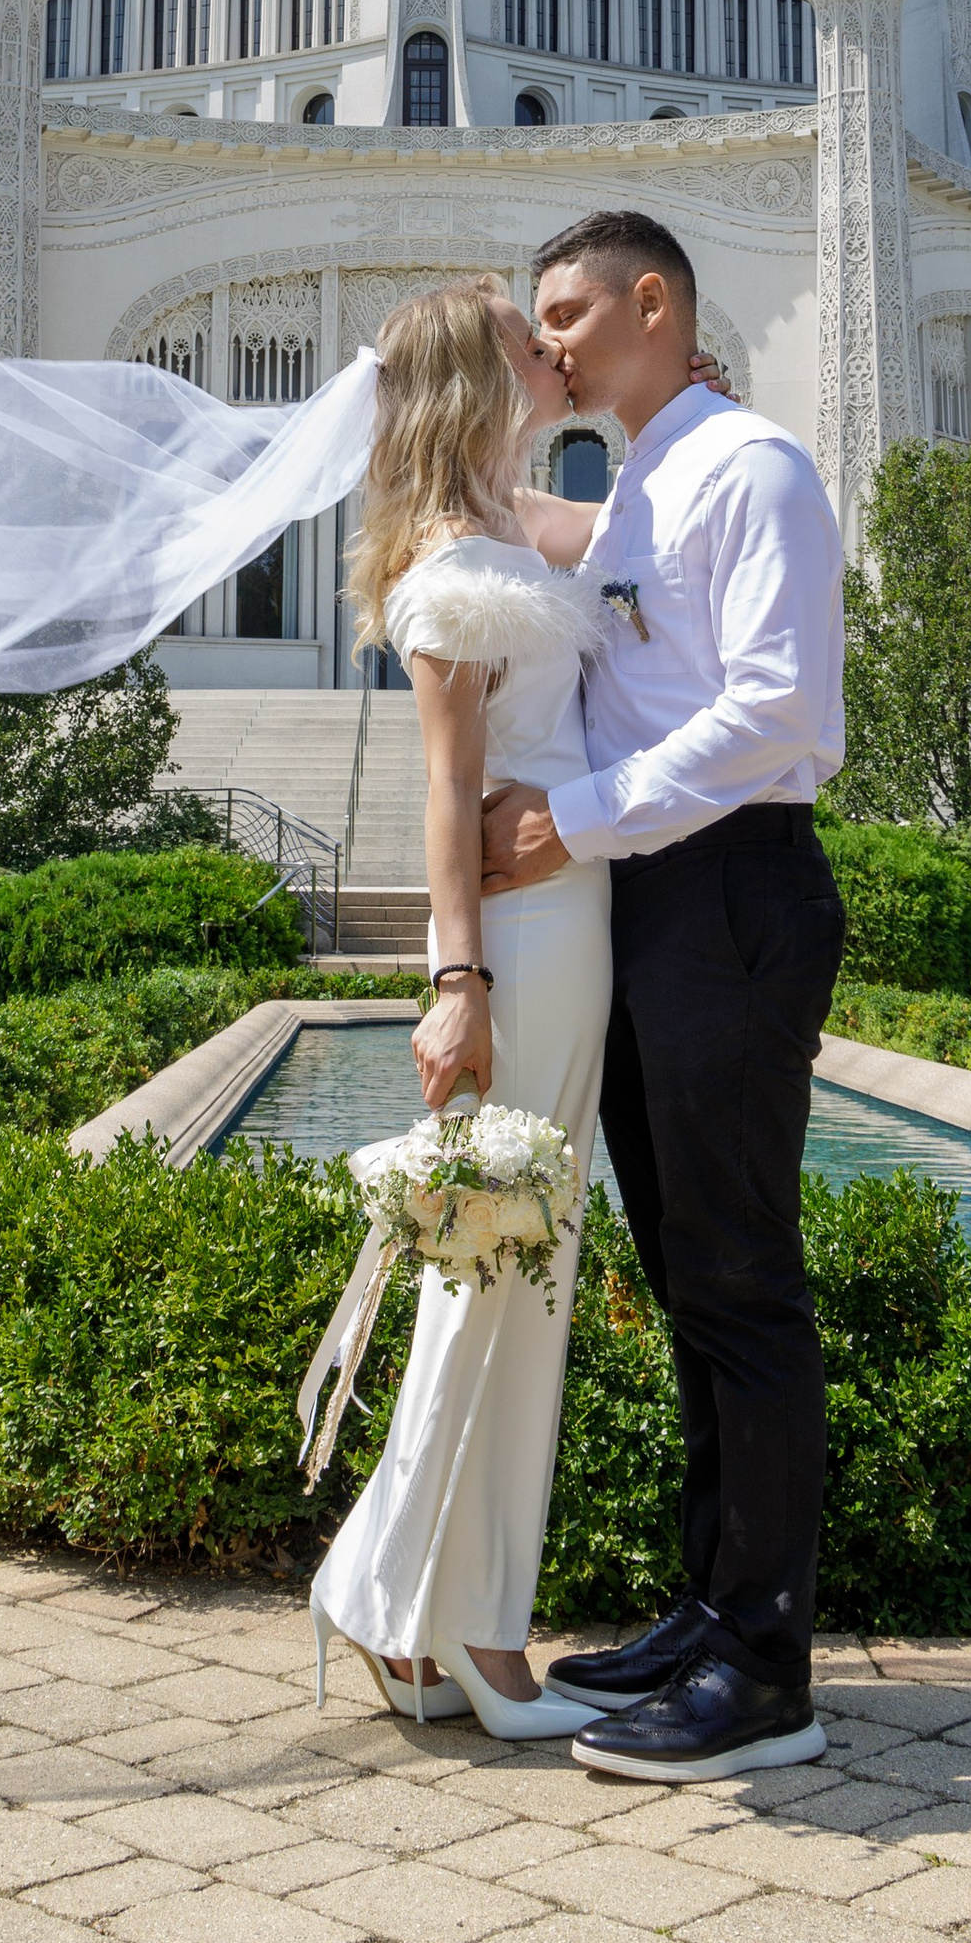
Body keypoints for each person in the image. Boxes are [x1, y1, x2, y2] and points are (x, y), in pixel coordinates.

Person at [482, 208, 846, 1785]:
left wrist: (570, 819)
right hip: (656, 900)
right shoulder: (639, 481)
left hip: (735, 889)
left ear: (652, 303)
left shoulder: (751, 470)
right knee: (693, 1281)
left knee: (744, 1282)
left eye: (565, 314)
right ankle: (709, 1612)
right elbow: (536, 531)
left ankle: (765, 1673)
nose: (550, 341)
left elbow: (776, 711)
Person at [307, 280, 622, 1744]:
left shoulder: (510, 521)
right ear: (470, 378)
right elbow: (446, 794)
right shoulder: (455, 566)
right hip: (526, 943)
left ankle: (416, 1608)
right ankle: (456, 1623)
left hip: (573, 919)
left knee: (519, 1273)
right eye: (519, 336)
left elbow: (635, 533)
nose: (547, 350)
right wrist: (457, 983)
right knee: (501, 1268)